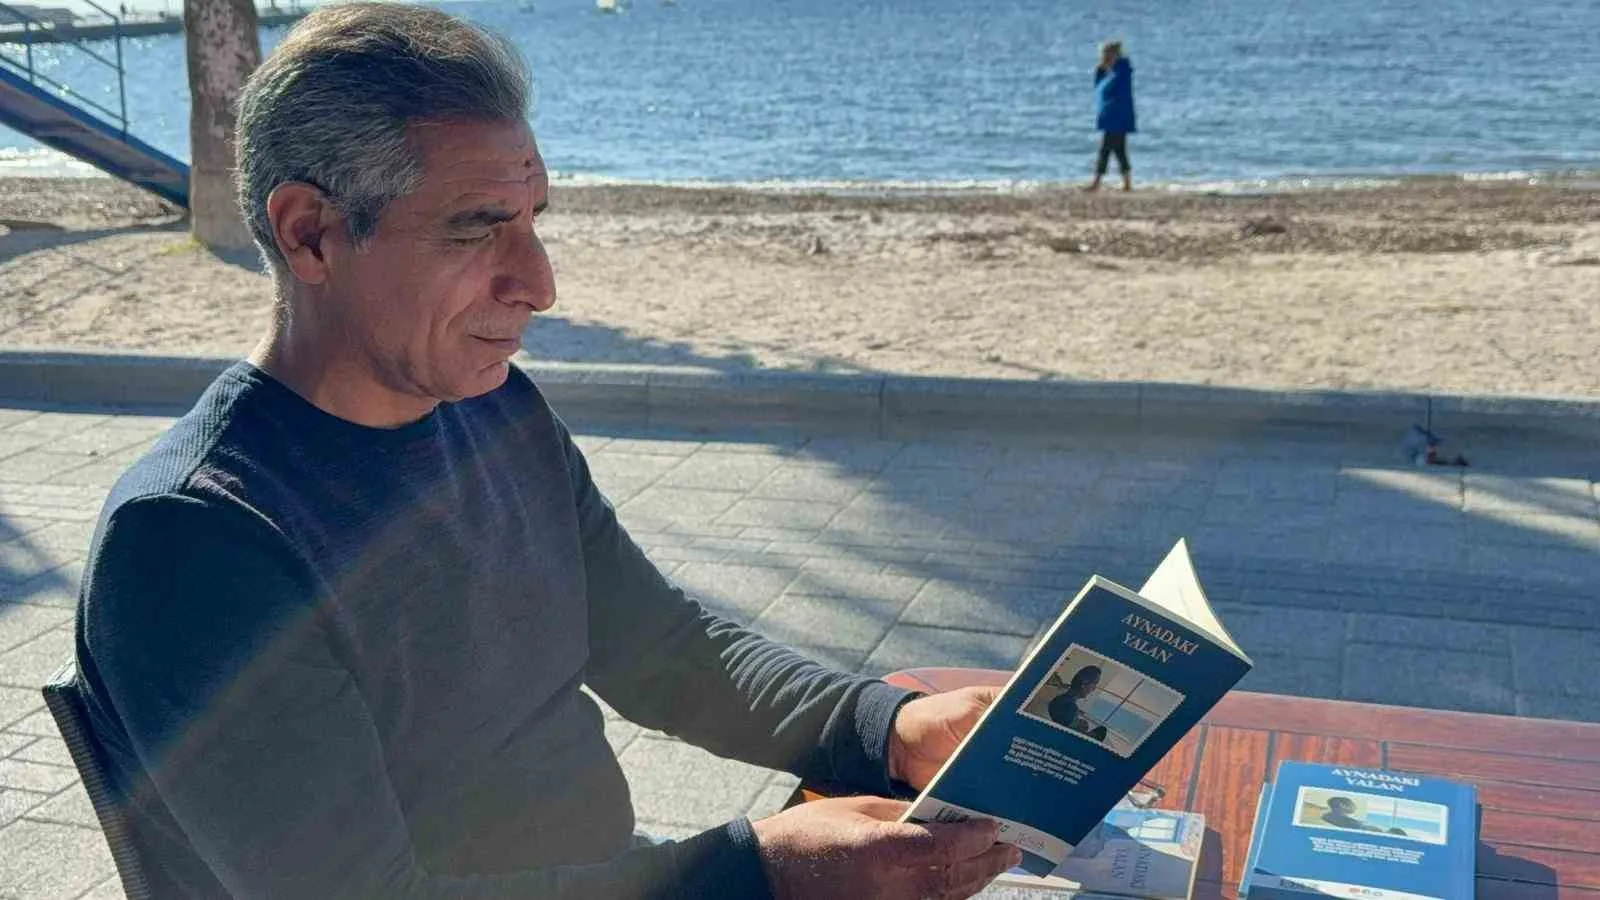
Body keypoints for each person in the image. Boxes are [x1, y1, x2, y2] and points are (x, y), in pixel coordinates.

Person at [71, 5, 1022, 898]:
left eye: (533, 222)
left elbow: (663, 647)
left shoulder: (495, 413)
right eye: (477, 229)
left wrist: (886, 728)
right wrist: (760, 874)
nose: (539, 282)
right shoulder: (194, 547)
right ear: (310, 234)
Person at [1088, 40, 1136, 192]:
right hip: (1111, 117)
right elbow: (1099, 89)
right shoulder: (1110, 73)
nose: (1104, 58)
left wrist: (1107, 68)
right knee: (1119, 150)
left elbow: (1112, 89)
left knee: (1106, 149)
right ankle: (1126, 183)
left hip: (1118, 118)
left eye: (1106, 55)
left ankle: (1097, 182)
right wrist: (1100, 71)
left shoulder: (1122, 71)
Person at [1047, 664, 1103, 738]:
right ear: (1084, 684)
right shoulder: (1069, 706)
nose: (1094, 688)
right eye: (1094, 683)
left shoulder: (1060, 700)